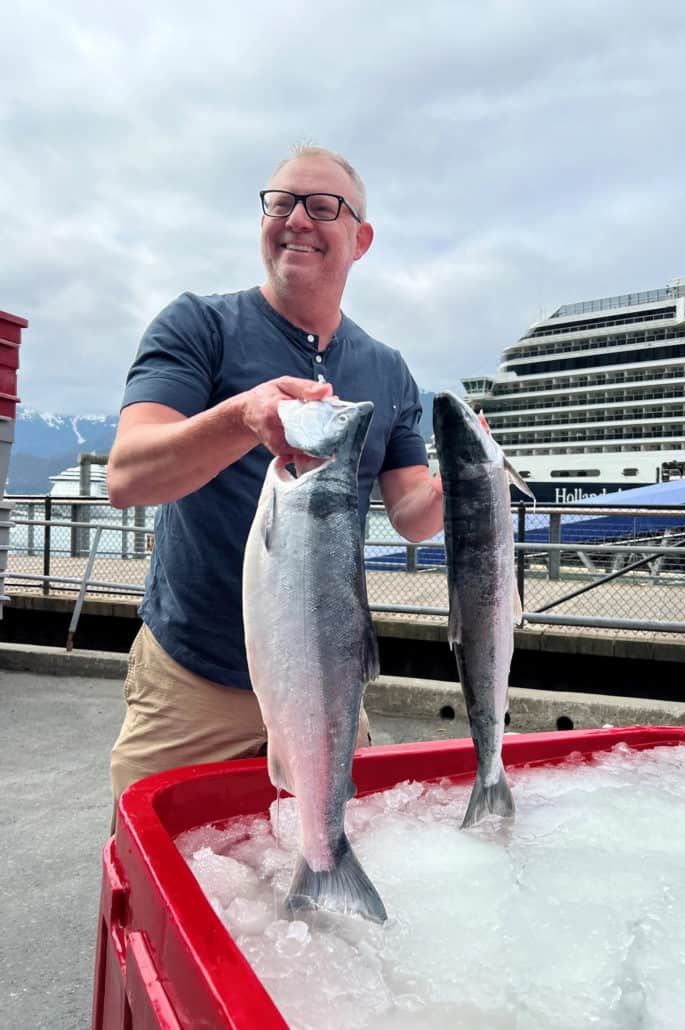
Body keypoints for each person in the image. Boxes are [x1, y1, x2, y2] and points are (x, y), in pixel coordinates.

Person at [107, 145, 444, 810]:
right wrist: (242, 417)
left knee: (332, 848)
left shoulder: (389, 370)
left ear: (361, 238)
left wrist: (462, 483)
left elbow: (411, 516)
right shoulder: (198, 326)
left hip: (328, 677)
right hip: (192, 679)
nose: (296, 220)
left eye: (323, 207)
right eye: (280, 203)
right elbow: (127, 476)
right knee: (157, 866)